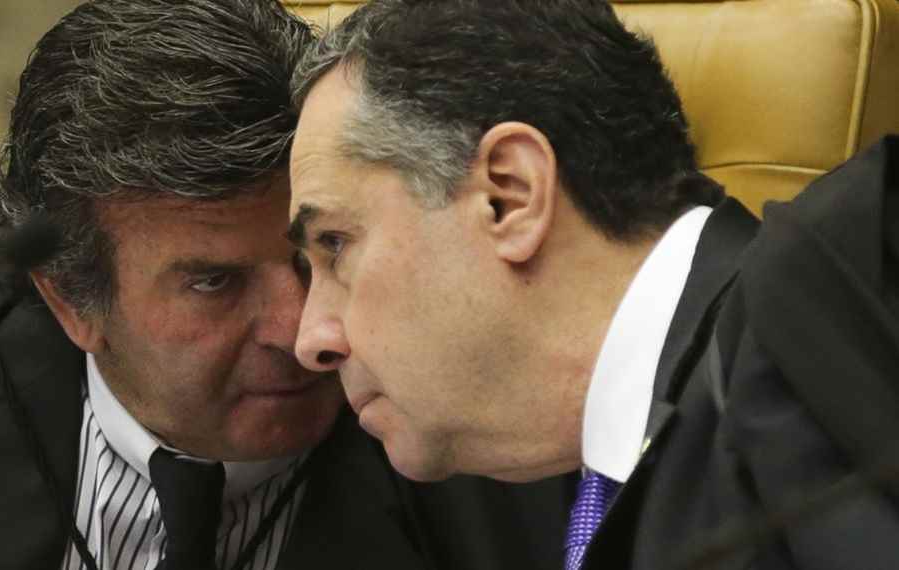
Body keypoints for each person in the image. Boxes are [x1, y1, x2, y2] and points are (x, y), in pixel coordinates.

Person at [0, 1, 573, 569]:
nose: (304, 329)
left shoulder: (495, 453)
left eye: (321, 251)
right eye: (215, 282)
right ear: (71, 301)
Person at [287, 0, 899, 569]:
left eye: (335, 244)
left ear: (510, 195)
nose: (310, 338)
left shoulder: (852, 270)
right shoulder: (555, 478)